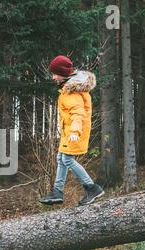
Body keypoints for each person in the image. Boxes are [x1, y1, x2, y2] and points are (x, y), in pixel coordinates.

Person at [38, 55, 104, 206]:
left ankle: (92, 188)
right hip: (69, 132)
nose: (53, 77)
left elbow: (78, 114)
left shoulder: (72, 92)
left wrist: (74, 132)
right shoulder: (70, 87)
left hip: (75, 132)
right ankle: (57, 192)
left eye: (55, 74)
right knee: (61, 158)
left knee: (67, 159)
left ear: (63, 73)